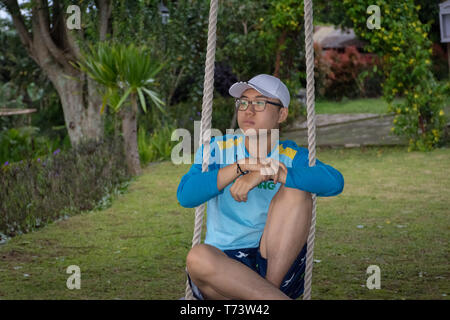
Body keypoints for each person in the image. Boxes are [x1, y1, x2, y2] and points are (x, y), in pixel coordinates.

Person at [177, 74, 344, 300]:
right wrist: (240, 167)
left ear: (281, 114)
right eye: (243, 102)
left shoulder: (291, 155)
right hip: (223, 265)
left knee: (296, 189)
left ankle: (267, 293)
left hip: (276, 262)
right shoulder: (217, 149)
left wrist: (270, 172)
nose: (248, 110)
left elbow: (334, 182)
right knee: (197, 257)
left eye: (260, 103)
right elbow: (186, 195)